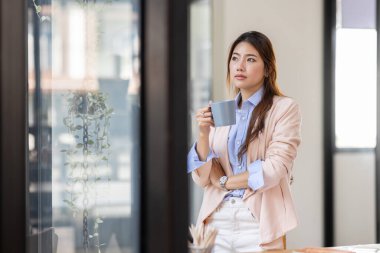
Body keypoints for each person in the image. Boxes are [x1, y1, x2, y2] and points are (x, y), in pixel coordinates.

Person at [187, 31, 302, 252]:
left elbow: (274, 169)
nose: (240, 66)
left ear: (268, 69)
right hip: (216, 220)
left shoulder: (284, 109)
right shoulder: (223, 111)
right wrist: (203, 133)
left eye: (250, 59)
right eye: (235, 58)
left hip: (257, 221)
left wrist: (224, 181)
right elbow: (202, 178)